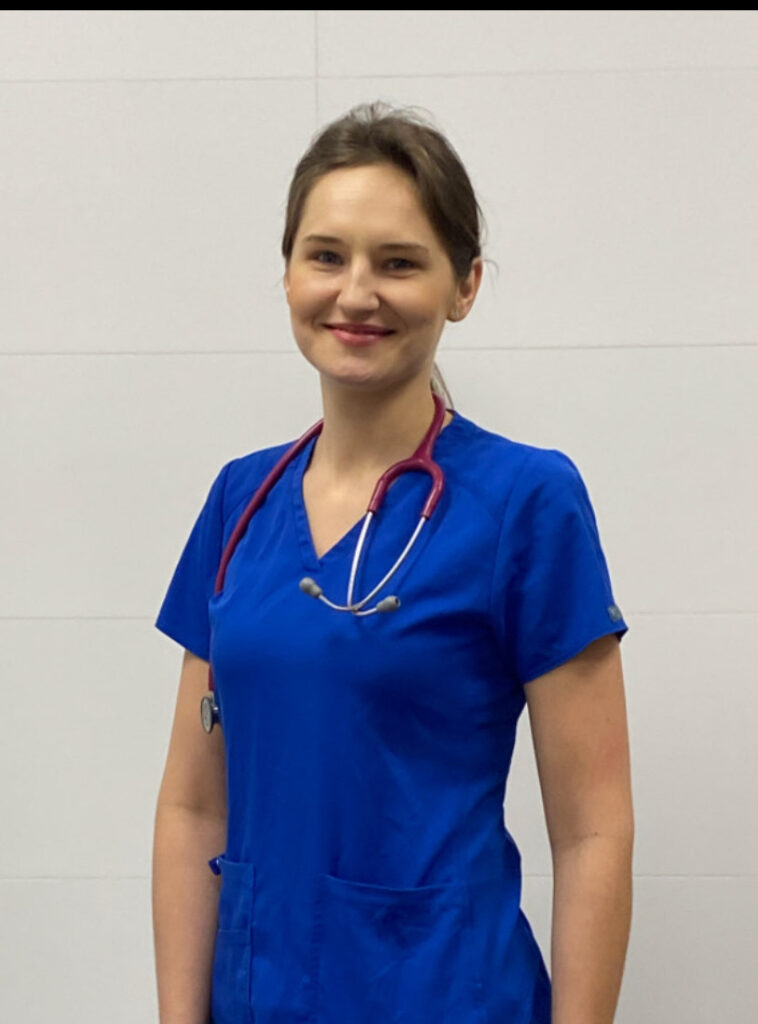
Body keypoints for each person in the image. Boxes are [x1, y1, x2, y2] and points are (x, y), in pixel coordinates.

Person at [152, 102, 634, 1024]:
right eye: (326, 256)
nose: (356, 293)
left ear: (465, 285)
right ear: (287, 273)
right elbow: (193, 809)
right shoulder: (240, 502)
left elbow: (593, 833)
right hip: (258, 995)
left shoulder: (526, 503)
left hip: (448, 995)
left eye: (399, 262)